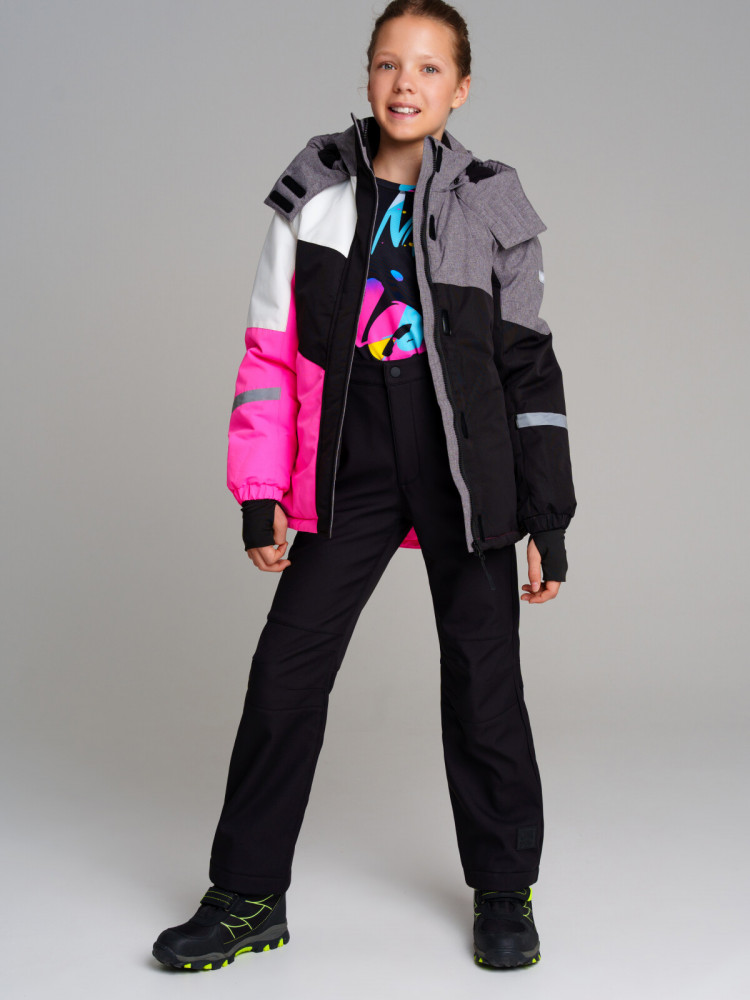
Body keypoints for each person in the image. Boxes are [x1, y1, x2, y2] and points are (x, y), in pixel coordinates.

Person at [152, 0, 576, 973]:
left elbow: (530, 368)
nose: (405, 83)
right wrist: (260, 491)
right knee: (285, 671)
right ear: (369, 75)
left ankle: (503, 888)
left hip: (466, 475)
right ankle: (246, 894)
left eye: (428, 68)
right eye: (389, 63)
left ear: (459, 88)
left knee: (484, 684)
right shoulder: (316, 189)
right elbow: (268, 354)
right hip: (352, 464)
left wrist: (547, 516)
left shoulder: (492, 202)